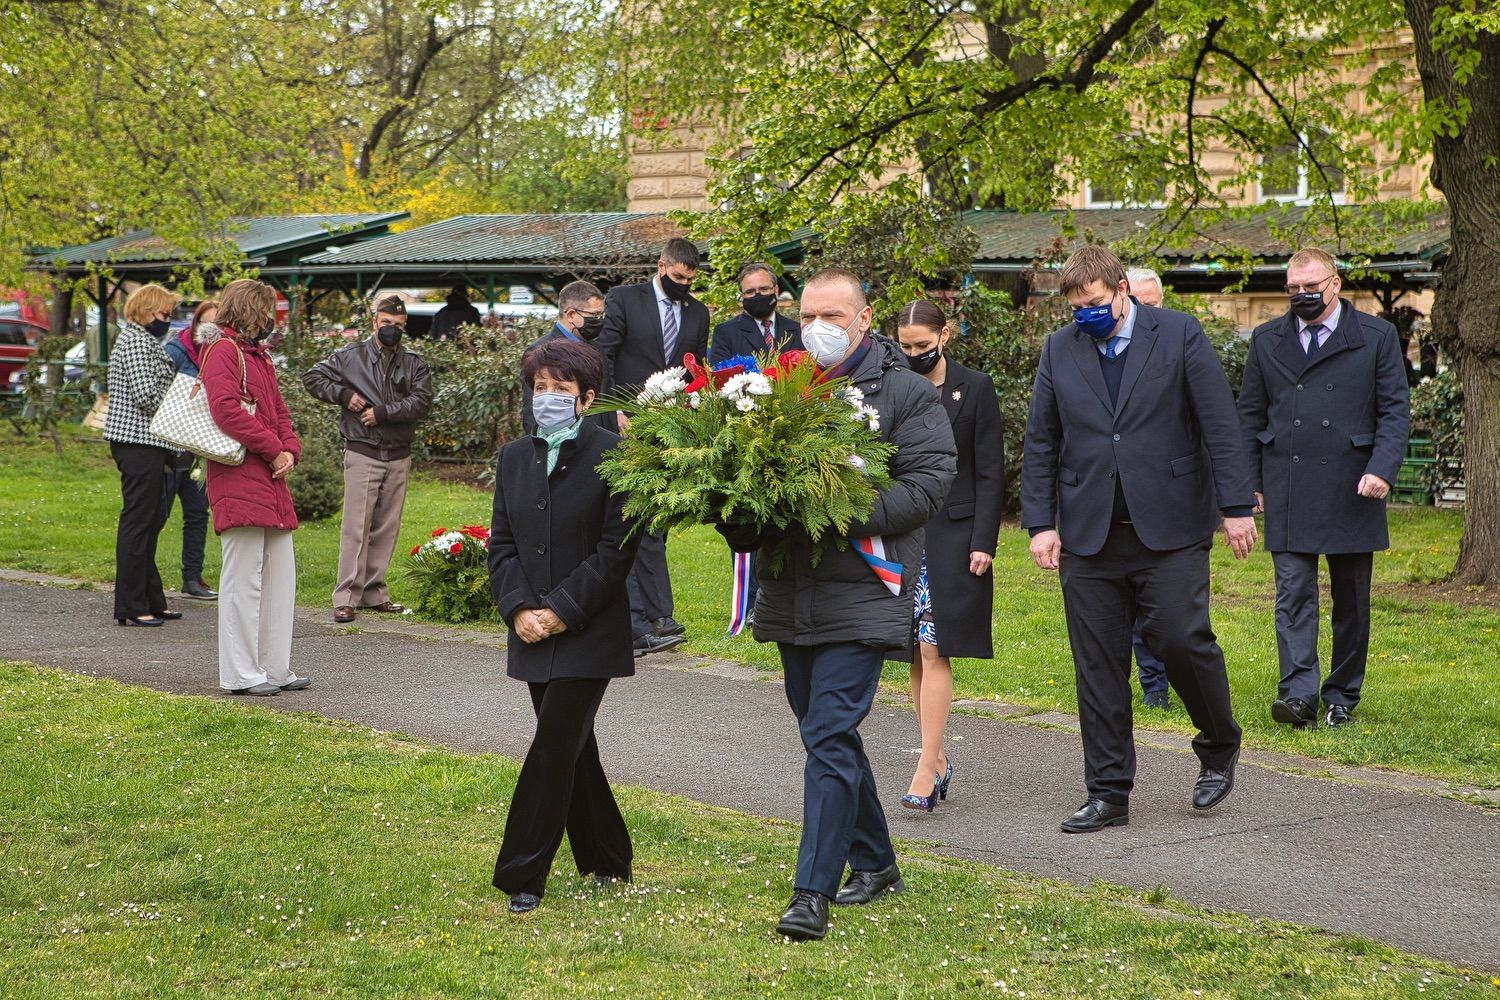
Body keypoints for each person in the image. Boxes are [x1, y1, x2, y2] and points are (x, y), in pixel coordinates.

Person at [720, 268, 956, 941]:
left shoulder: (908, 396)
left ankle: (810, 894)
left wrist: (835, 509)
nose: (818, 327)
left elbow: (929, 486)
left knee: (826, 734)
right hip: (791, 590)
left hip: (865, 589)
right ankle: (878, 864)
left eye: (834, 314)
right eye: (808, 315)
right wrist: (736, 512)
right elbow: (754, 492)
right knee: (827, 734)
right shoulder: (777, 394)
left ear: (864, 316)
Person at [1020, 245, 1256, 834]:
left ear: (1121, 289)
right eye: (1076, 309)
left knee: (1180, 638)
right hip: (1088, 534)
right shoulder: (1059, 349)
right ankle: (1108, 792)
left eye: (1095, 305)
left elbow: (1219, 423)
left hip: (1170, 527)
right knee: (1097, 664)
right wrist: (1041, 523)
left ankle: (1219, 740)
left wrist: (1235, 506)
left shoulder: (1178, 335)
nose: (1086, 316)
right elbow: (1042, 440)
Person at [488, 338, 642, 914]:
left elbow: (615, 552)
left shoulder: (614, 457)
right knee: (577, 748)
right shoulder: (512, 457)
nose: (547, 398)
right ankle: (608, 856)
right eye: (540, 388)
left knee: (552, 746)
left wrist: (560, 611)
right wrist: (520, 610)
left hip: (587, 632)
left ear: (587, 398)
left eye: (561, 388)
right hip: (530, 629)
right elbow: (501, 544)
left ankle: (522, 872)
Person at [1237, 248, 1410, 729]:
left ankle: (1342, 695)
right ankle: (1298, 695)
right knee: (1292, 593)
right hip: (1287, 482)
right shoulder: (1266, 338)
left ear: (1335, 284)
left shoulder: (1376, 336)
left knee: (1351, 599)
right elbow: (1250, 415)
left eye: (1310, 287)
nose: (1302, 296)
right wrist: (1249, 482)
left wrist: (1383, 468)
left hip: (1355, 484)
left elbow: (1395, 410)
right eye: (1293, 289)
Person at [890, 299, 1003, 811]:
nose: (913, 353)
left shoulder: (975, 388)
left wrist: (984, 540)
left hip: (956, 536)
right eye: (904, 345)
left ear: (946, 334)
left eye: (921, 345)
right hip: (904, 533)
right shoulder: (891, 384)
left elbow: (990, 471)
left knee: (936, 647)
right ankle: (937, 761)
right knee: (914, 650)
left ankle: (925, 764)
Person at [596, 237, 709, 656]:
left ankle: (662, 614)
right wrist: (612, 413)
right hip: (624, 422)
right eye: (678, 277)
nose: (684, 285)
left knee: (656, 519)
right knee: (628, 516)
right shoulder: (625, 299)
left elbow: (695, 368)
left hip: (669, 425)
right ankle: (638, 617)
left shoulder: (697, 312)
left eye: (690, 279)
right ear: (662, 266)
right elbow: (605, 355)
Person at [200, 278, 308, 696]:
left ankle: (274, 667)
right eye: (266, 310)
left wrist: (289, 448)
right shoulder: (224, 350)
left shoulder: (257, 355)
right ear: (250, 309)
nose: (270, 319)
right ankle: (242, 673)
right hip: (239, 471)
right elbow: (225, 410)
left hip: (266, 473)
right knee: (243, 579)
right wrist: (273, 448)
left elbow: (277, 409)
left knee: (280, 577)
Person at [303, 294, 434, 625]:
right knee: (355, 527)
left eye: (399, 325)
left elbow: (422, 402)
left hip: (398, 452)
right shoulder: (349, 357)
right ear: (375, 321)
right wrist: (346, 396)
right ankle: (345, 596)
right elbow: (312, 378)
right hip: (362, 449)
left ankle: (374, 592)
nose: (392, 329)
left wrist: (383, 412)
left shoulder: (414, 362)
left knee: (387, 527)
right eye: (387, 323)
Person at [708, 262, 806, 627]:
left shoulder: (798, 330)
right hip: (746, 429)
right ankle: (747, 606)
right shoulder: (726, 332)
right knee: (747, 524)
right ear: (741, 297)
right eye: (750, 292)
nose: (758, 297)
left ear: (776, 290)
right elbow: (719, 379)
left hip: (791, 430)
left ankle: (781, 600)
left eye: (763, 290)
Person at [103, 283, 182, 627]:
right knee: (138, 524)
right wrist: (180, 399)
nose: (168, 319)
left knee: (149, 523)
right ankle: (132, 605)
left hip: (147, 442)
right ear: (148, 310)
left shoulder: (144, 340)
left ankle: (152, 598)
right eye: (165, 313)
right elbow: (146, 394)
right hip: (137, 442)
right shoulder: (136, 340)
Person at [1124, 266, 1170, 709]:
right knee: (1134, 607)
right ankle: (1154, 686)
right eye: (1134, 303)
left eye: (1149, 304)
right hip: (1121, 505)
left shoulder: (1176, 347)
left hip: (1168, 500)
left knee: (1170, 608)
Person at [159, 300, 221, 602]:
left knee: (197, 513)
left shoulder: (222, 356)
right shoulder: (176, 352)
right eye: (205, 324)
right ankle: (143, 577)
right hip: (171, 446)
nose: (210, 331)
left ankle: (192, 577)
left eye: (216, 325)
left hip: (200, 449)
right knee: (158, 513)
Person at [519, 279, 610, 435]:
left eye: (601, 314)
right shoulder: (539, 352)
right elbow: (532, 410)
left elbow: (607, 404)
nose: (599, 321)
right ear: (571, 315)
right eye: (594, 315)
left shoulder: (597, 349)